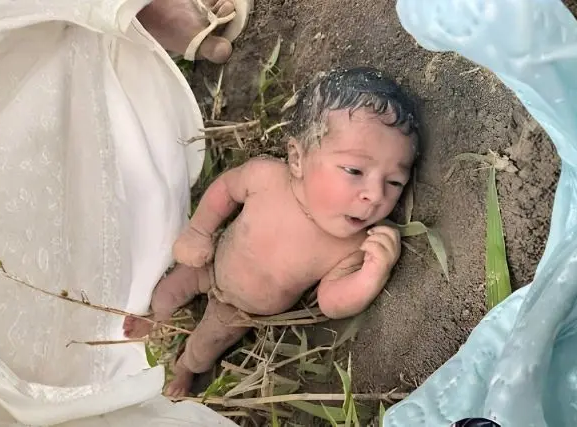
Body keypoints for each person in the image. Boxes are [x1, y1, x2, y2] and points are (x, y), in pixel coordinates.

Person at [122, 67, 421, 397]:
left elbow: (331, 301)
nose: (376, 195)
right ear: (297, 158)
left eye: (394, 182)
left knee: (205, 347)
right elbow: (226, 190)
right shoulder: (265, 177)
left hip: (238, 311)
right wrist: (198, 231)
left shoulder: (351, 245)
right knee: (166, 293)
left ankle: (183, 369)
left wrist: (371, 275)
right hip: (208, 266)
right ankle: (156, 318)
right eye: (354, 170)